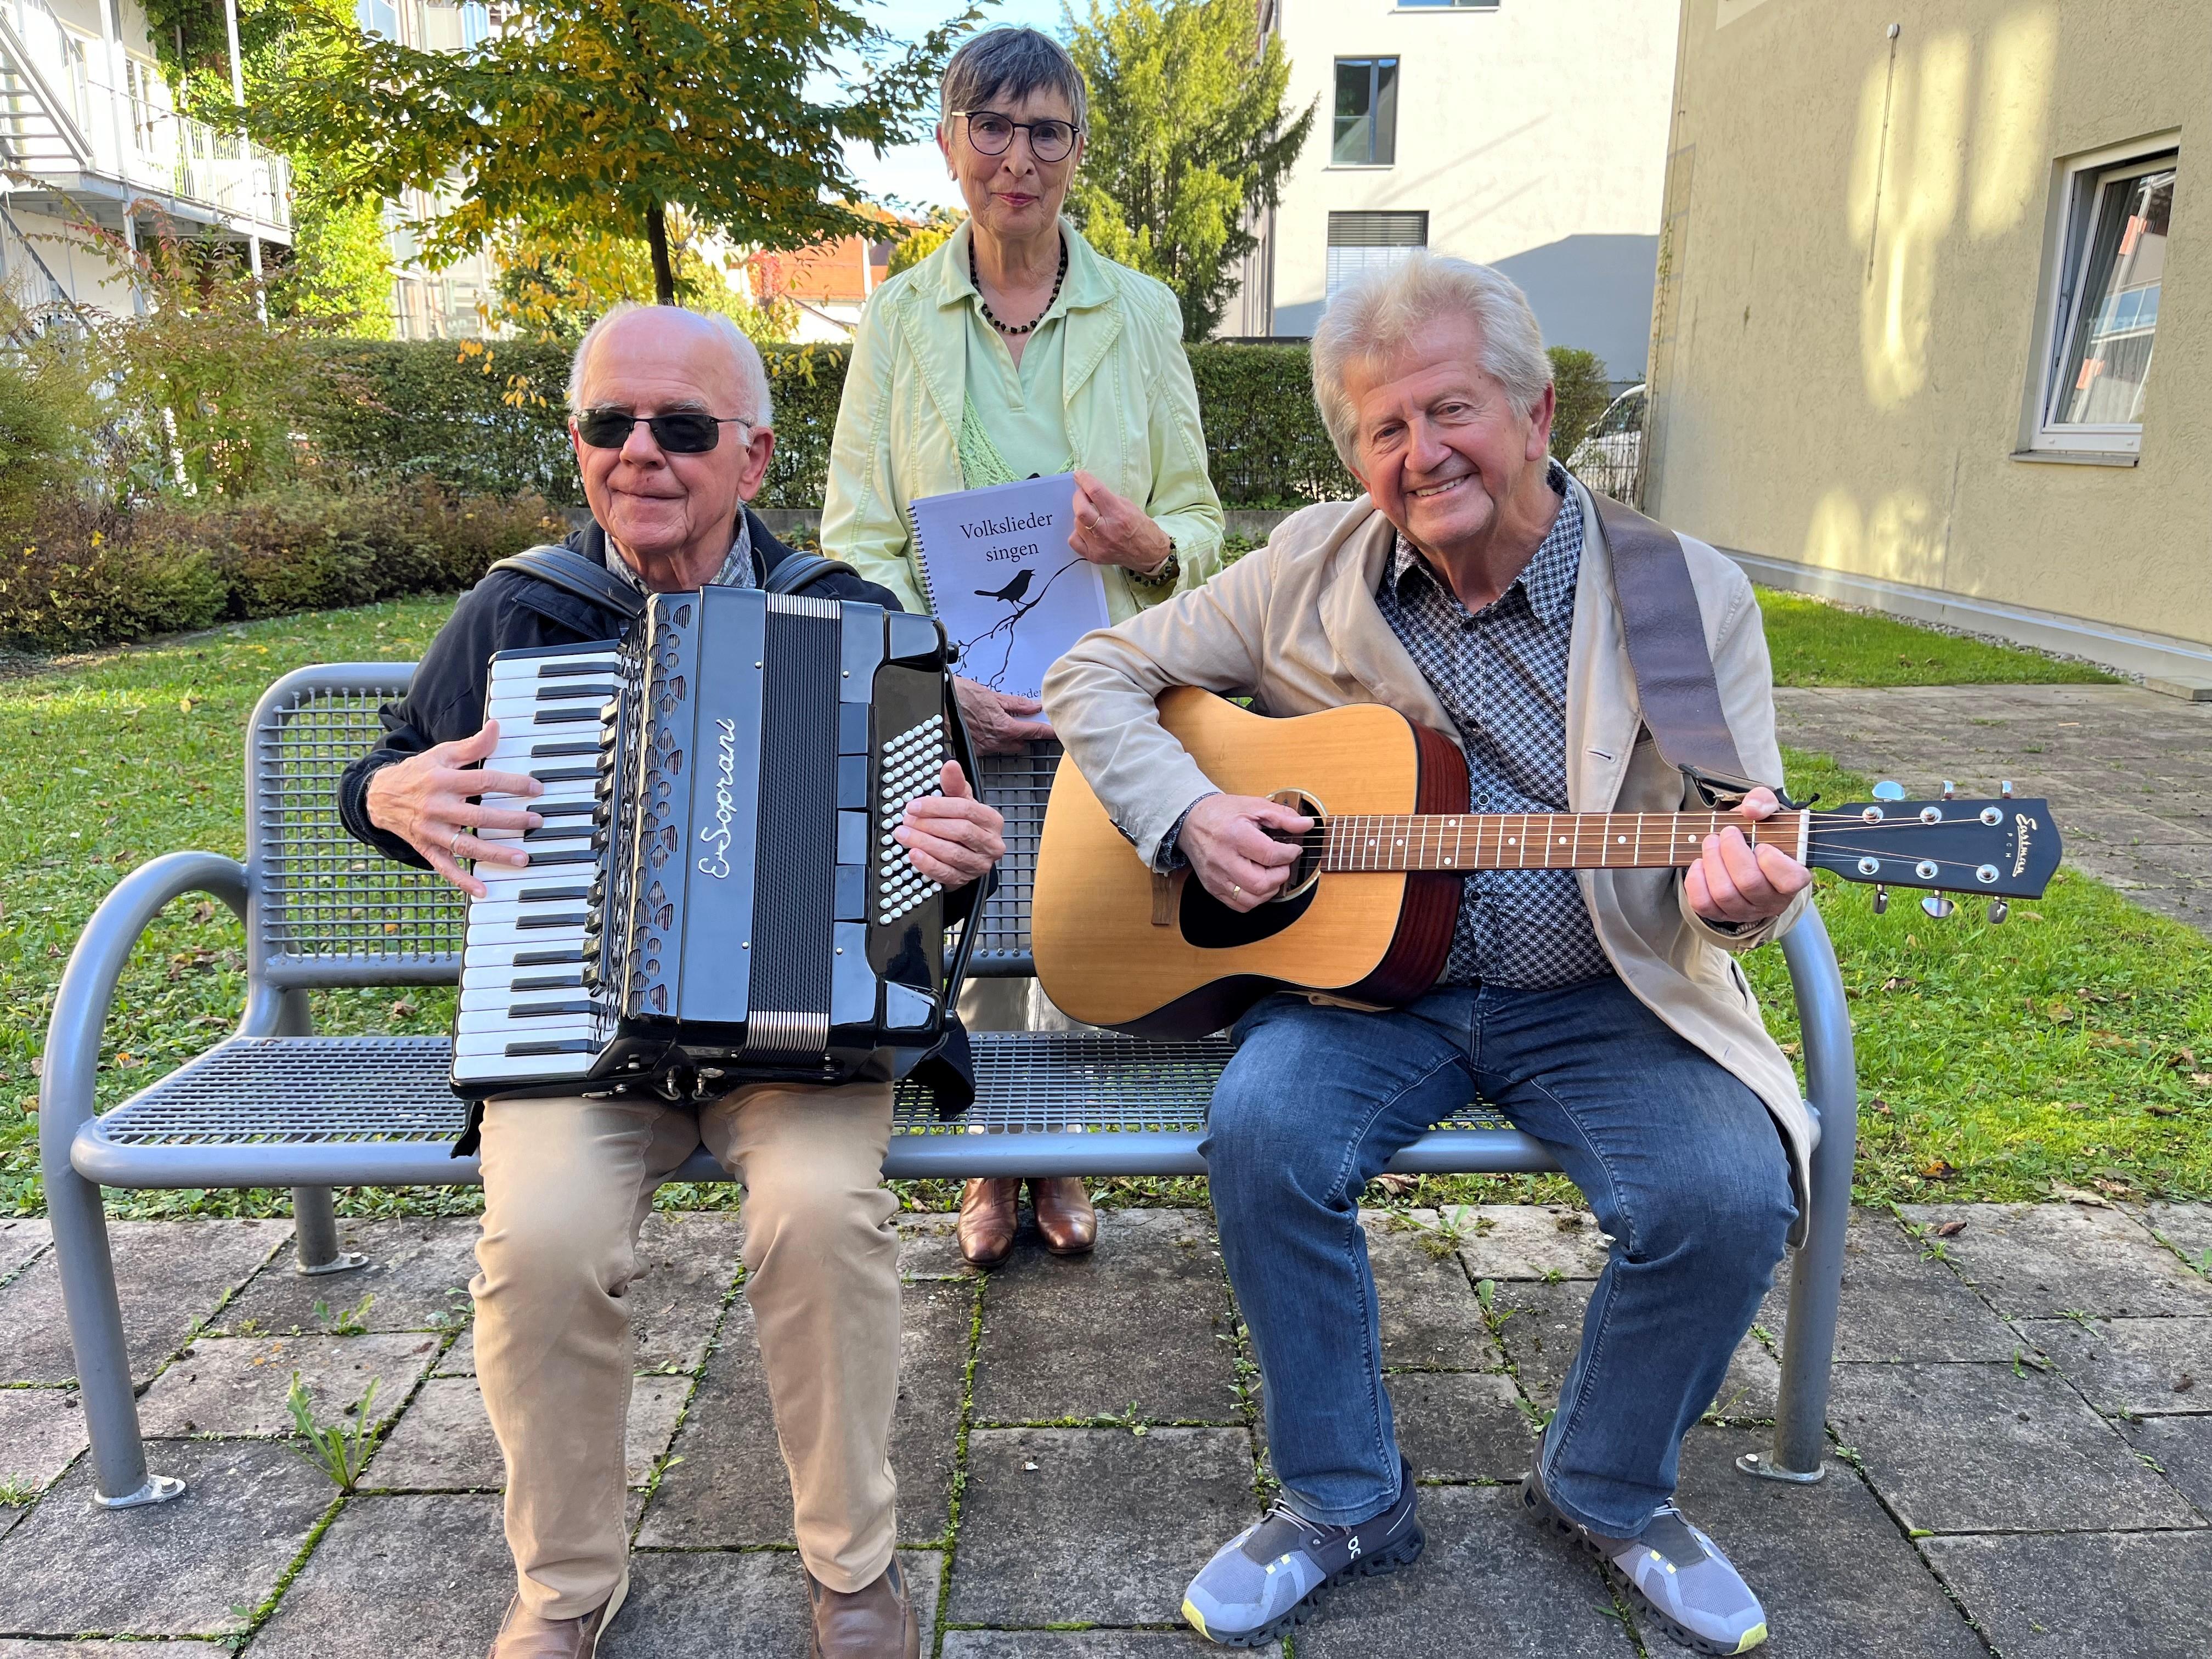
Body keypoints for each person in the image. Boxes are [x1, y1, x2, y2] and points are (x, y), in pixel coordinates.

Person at [1043, 253, 1813, 1655]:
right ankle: (1342, 1499)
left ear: (1535, 412)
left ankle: (1610, 1485)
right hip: (1364, 995)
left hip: (1602, 992)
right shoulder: (1305, 568)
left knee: (1726, 1189)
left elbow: (1731, 861)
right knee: (1263, 1127)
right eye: (1382, 430)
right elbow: (1091, 673)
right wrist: (1190, 811)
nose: (1420, 454)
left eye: (1448, 410)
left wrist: (1739, 892)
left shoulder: (1681, 597)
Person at [337, 304, 1006, 1659]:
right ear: (581, 442)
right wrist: (385, 794)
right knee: (540, 1247)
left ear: (753, 458)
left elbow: (937, 877)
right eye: (608, 423)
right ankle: (566, 1588)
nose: (640, 453)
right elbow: (395, 764)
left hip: (798, 1046)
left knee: (822, 1216)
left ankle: (856, 1570)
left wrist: (955, 859)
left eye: (682, 428)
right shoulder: (523, 609)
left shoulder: (853, 619)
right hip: (572, 1025)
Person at [823, 25, 1228, 1269]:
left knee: (1078, 927)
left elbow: (1206, 530)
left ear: (1078, 151)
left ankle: (1054, 1146)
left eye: (1045, 130)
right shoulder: (896, 320)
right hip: (965, 697)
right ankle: (994, 1161)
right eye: (990, 127)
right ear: (950, 146)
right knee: (978, 930)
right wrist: (944, 677)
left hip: (1106, 697)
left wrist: (1150, 543)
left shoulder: (1143, 313)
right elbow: (858, 533)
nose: (1018, 157)